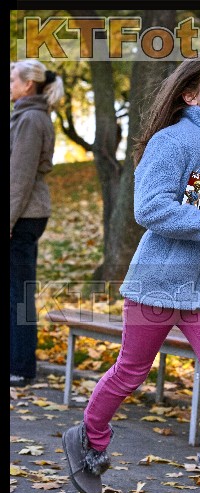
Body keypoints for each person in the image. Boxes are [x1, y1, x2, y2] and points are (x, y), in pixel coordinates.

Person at [62, 54, 200, 493]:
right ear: (190, 95)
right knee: (131, 371)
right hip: (157, 282)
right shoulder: (170, 141)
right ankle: (89, 437)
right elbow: (151, 209)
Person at [10, 60, 64, 387]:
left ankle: (20, 367)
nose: (9, 84)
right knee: (17, 291)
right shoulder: (27, 115)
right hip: (24, 213)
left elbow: (20, 177)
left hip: (24, 215)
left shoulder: (31, 119)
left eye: (12, 79)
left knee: (19, 293)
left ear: (28, 84)